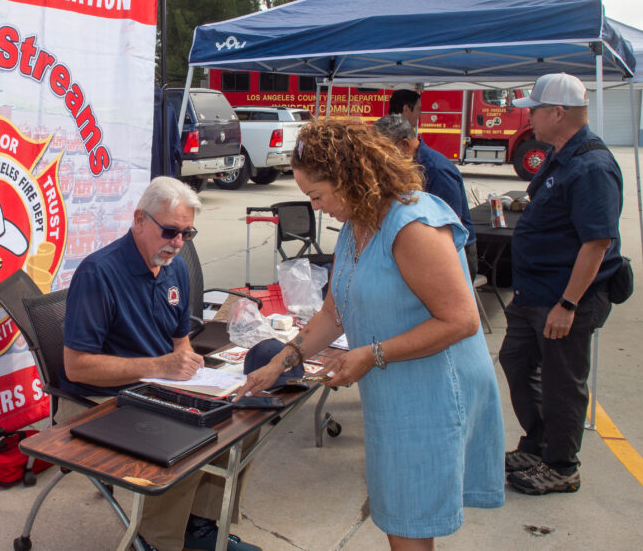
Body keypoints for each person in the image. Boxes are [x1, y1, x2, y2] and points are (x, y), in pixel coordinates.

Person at [238, 121, 504, 549]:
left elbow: (461, 321)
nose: (317, 207)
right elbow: (334, 312)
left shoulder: (412, 224)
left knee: (408, 520)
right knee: (400, 515)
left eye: (317, 196)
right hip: (397, 385)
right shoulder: (355, 225)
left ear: (347, 178)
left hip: (433, 389)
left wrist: (370, 354)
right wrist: (280, 361)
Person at [61, 176, 260, 551]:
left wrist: (188, 368)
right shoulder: (98, 274)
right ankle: (155, 540)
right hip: (100, 398)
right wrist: (160, 368)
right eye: (170, 231)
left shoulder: (176, 268)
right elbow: (77, 368)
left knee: (244, 418)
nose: (178, 243)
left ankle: (199, 524)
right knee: (187, 435)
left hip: (156, 386)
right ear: (139, 220)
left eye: (188, 234)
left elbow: (179, 343)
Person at [499, 72, 624, 495]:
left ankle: (562, 464)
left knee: (562, 383)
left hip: (564, 297)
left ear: (557, 112)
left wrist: (568, 304)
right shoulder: (560, 153)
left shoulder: (591, 165)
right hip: (534, 294)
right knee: (516, 361)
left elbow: (598, 242)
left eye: (533, 110)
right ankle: (538, 443)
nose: (528, 118)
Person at [373, 113, 479, 276]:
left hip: (453, 256)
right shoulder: (410, 164)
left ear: (405, 145)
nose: (382, 160)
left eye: (385, 153)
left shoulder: (437, 171)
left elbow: (450, 226)